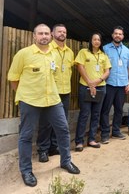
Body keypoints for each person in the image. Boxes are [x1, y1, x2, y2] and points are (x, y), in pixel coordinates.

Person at [7, 24, 80, 187]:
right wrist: (23, 97)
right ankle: (26, 171)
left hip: (53, 100)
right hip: (30, 101)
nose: (44, 36)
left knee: (63, 129)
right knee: (26, 135)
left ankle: (65, 161)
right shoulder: (24, 54)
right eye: (40, 33)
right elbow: (13, 78)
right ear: (34, 36)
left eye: (46, 33)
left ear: (50, 36)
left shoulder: (54, 54)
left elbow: (53, 75)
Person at [36, 24, 74, 162]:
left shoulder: (70, 52)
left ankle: (54, 147)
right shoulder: (48, 49)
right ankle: (43, 150)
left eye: (64, 31)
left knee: (61, 123)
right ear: (52, 33)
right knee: (46, 123)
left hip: (65, 91)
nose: (62, 34)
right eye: (59, 31)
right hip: (51, 92)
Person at [74, 32, 111, 151]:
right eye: (94, 39)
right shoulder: (83, 52)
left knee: (96, 114)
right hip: (85, 87)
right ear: (90, 41)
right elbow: (80, 67)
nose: (96, 42)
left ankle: (92, 139)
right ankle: (79, 142)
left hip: (101, 87)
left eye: (99, 40)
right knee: (84, 114)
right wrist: (90, 83)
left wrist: (97, 82)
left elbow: (107, 71)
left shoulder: (104, 55)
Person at [100, 26, 129, 144]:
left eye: (120, 34)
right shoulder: (105, 49)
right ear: (112, 35)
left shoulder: (127, 51)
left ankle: (115, 131)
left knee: (119, 110)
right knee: (105, 110)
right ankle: (104, 134)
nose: (118, 35)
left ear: (123, 36)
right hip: (109, 83)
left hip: (122, 84)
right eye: (116, 33)